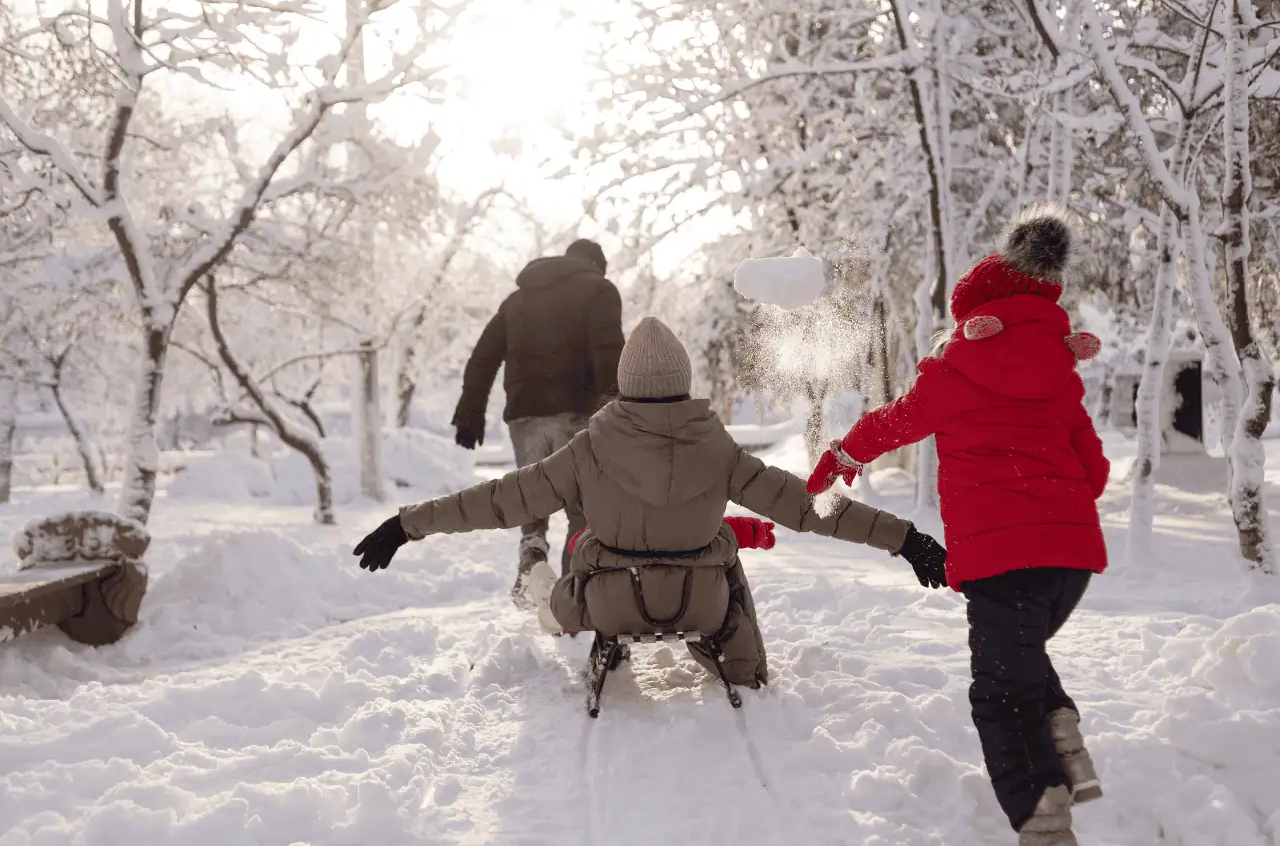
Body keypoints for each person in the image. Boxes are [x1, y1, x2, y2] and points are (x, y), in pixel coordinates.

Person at [354, 317, 949, 688]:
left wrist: (408, 525)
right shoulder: (720, 449)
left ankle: (539, 589)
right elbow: (811, 507)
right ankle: (741, 661)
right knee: (723, 551)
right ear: (684, 381)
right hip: (704, 605)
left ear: (627, 383)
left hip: (609, 607)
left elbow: (502, 499)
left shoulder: (589, 448)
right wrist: (906, 538)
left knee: (565, 571)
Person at [807, 207, 1108, 846]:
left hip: (1003, 563)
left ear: (975, 313)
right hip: (1071, 560)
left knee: (998, 691)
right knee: (1019, 654)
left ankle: (1041, 814)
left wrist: (842, 457)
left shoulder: (958, 371)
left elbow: (894, 422)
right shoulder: (1059, 374)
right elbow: (1095, 467)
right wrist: (1057, 516)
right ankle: (1063, 735)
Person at [449, 239, 624, 608]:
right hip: (577, 414)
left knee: (534, 497)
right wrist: (616, 414)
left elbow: (483, 357)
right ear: (596, 264)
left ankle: (532, 557)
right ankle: (571, 598)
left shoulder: (517, 300)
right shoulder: (599, 289)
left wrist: (471, 409)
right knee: (583, 507)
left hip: (525, 418)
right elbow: (608, 354)